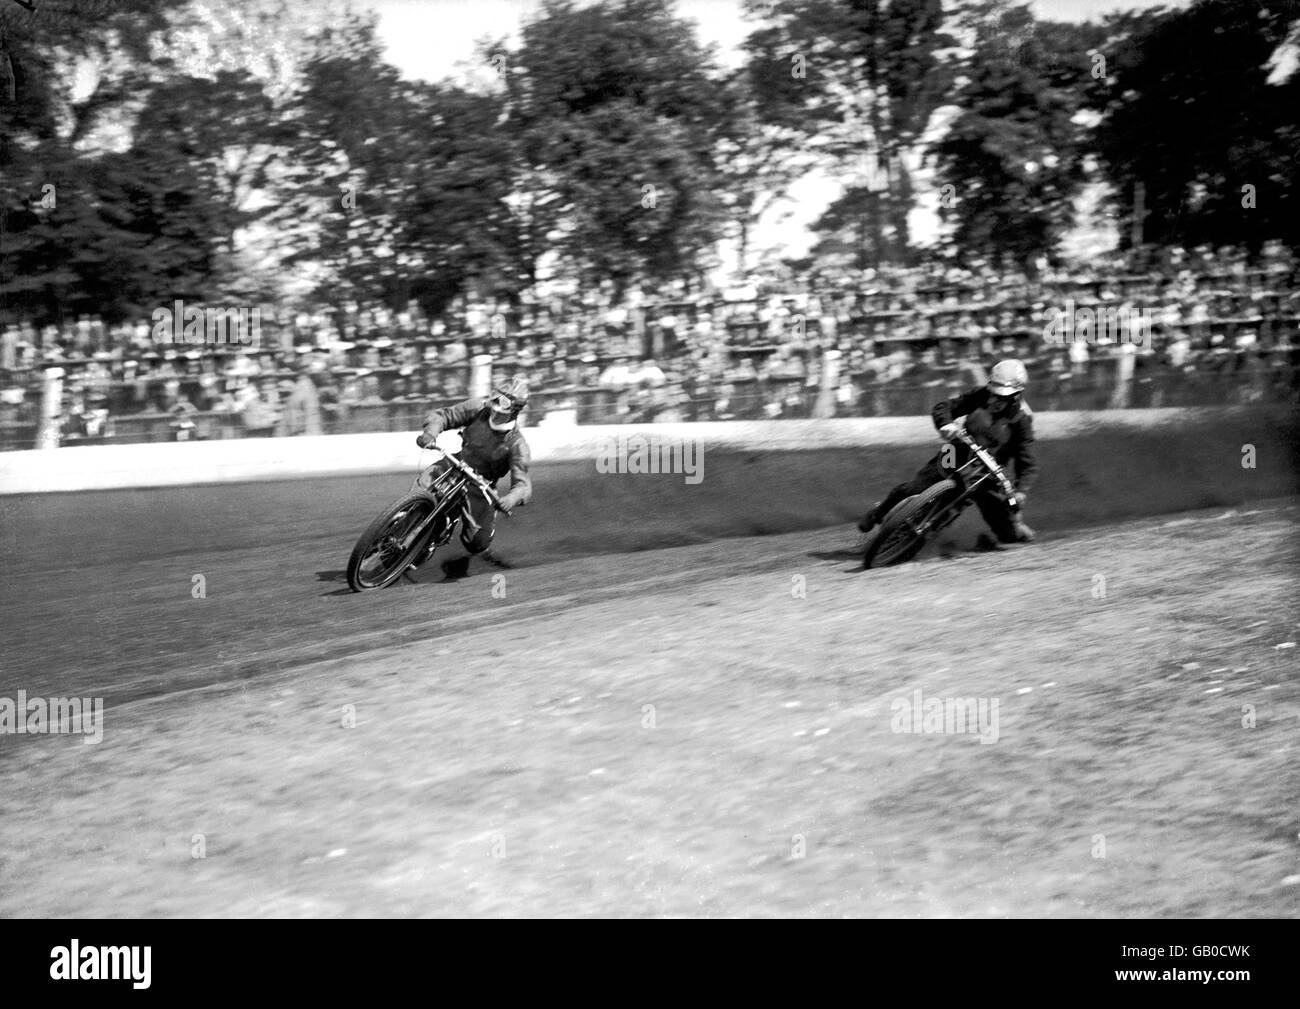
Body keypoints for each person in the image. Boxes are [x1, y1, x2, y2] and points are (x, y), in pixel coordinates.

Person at [857, 359, 1038, 546]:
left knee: (1007, 533)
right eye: (993, 393)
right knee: (916, 487)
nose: (993, 400)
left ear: (1016, 395)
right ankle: (878, 513)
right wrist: (945, 424)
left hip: (986, 474)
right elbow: (944, 407)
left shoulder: (1023, 419)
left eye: (1001, 397)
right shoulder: (980, 395)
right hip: (956, 451)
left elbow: (1027, 463)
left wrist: (1021, 491)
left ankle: (1008, 530)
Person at [415, 376, 533, 579]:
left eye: (503, 402)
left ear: (515, 409)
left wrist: (510, 499)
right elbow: (443, 415)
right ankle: (403, 521)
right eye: (495, 398)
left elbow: (523, 485)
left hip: (482, 485)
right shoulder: (478, 408)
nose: (495, 407)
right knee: (422, 486)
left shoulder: (517, 444)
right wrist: (430, 433)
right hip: (456, 463)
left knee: (476, 542)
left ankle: (477, 539)